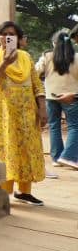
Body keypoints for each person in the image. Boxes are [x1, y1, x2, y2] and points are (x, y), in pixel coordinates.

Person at [0, 21, 48, 205]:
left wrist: (42, 108)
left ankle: (24, 191)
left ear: (18, 39)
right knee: (6, 149)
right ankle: (3, 191)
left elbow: (36, 83)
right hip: (4, 113)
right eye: (4, 34)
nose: (8, 37)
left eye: (12, 34)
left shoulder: (26, 57)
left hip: (27, 112)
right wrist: (4, 63)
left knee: (27, 149)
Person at [43, 30, 78, 169]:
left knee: (54, 126)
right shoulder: (76, 57)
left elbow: (36, 70)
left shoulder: (47, 56)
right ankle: (68, 157)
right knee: (74, 126)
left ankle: (56, 158)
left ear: (54, 43)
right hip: (71, 97)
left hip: (51, 96)